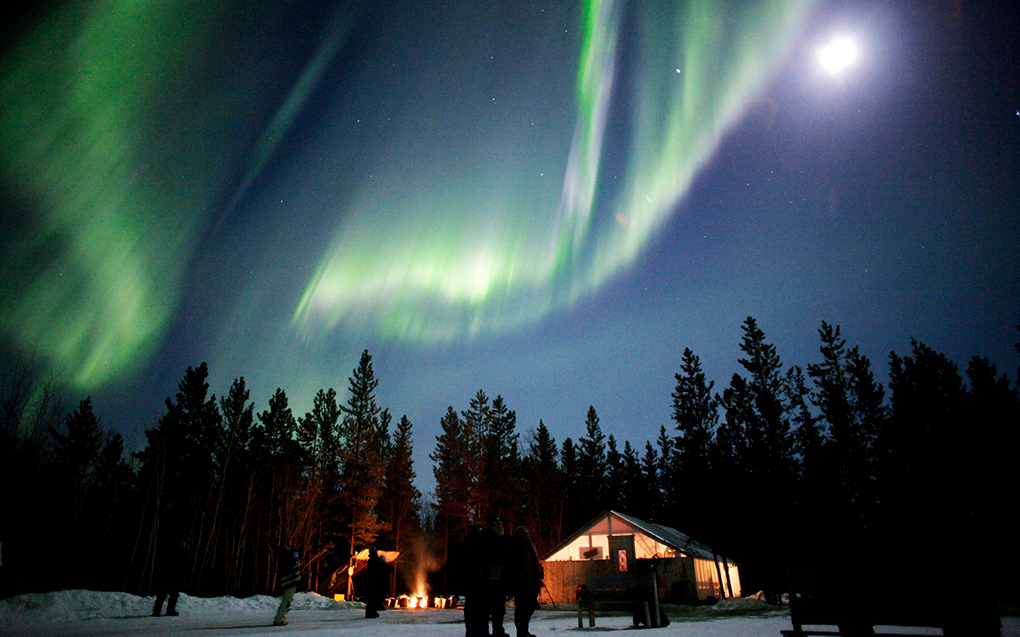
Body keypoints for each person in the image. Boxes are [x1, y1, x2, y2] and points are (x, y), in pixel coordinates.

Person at [508, 526, 543, 637]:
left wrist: (539, 575)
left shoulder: (530, 545)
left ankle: (524, 629)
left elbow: (535, 562)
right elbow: (517, 563)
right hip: (523, 580)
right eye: (524, 532)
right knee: (522, 606)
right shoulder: (517, 545)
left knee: (529, 606)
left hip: (532, 579)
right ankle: (521, 630)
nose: (527, 533)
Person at [481, 516, 509, 637]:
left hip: (500, 576)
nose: (501, 523)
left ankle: (498, 630)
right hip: (489, 576)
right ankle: (485, 631)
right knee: (487, 607)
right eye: (498, 521)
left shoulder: (503, 538)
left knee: (499, 607)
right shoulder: (487, 537)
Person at [461, 522, 487, 637]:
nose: (481, 531)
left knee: (479, 606)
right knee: (473, 606)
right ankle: (473, 629)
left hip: (478, 578)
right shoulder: (470, 542)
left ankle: (478, 629)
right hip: (473, 578)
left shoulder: (482, 542)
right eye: (479, 529)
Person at [152, 536, 185, 617]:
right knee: (171, 594)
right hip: (172, 575)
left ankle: (157, 611)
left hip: (165, 574)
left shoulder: (166, 551)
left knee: (163, 594)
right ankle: (168, 610)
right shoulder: (178, 552)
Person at [273, 544, 301, 626]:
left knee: (286, 600)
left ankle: (280, 618)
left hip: (286, 582)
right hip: (291, 582)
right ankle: (280, 619)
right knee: (287, 601)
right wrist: (296, 558)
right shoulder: (288, 557)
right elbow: (296, 565)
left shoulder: (282, 559)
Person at [365, 546, 388, 618]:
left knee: (371, 598)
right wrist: (383, 562)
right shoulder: (374, 560)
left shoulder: (372, 560)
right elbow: (381, 569)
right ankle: (371, 613)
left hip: (372, 581)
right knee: (373, 598)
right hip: (374, 581)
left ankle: (371, 612)